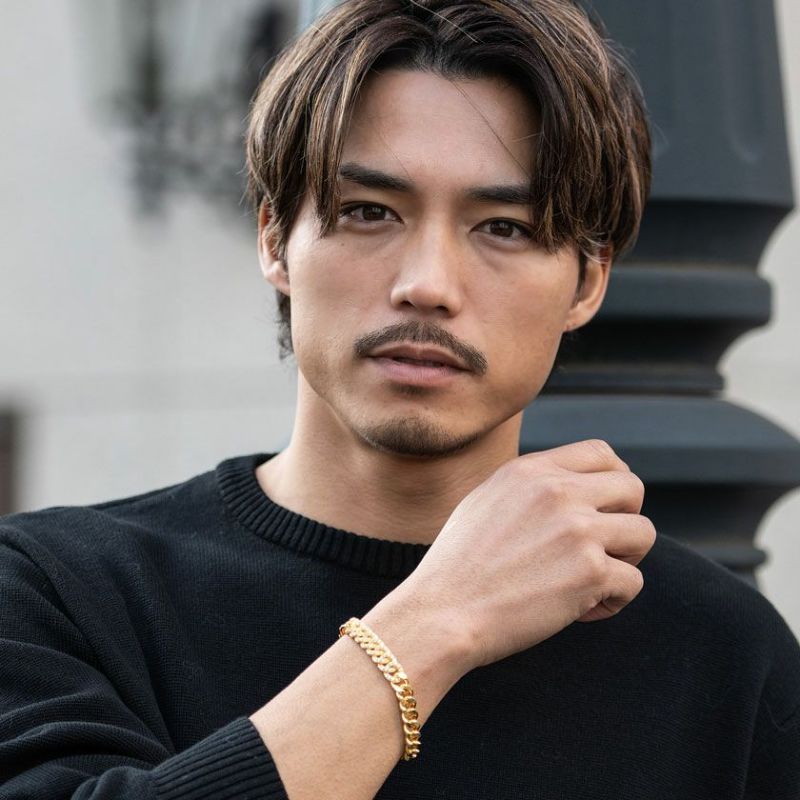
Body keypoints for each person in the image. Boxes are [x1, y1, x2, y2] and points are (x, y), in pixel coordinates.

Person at [1, 0, 799, 797]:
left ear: (588, 282)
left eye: (505, 227)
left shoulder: (720, 651)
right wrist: (439, 620)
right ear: (275, 239)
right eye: (369, 212)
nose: (427, 285)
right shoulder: (57, 591)